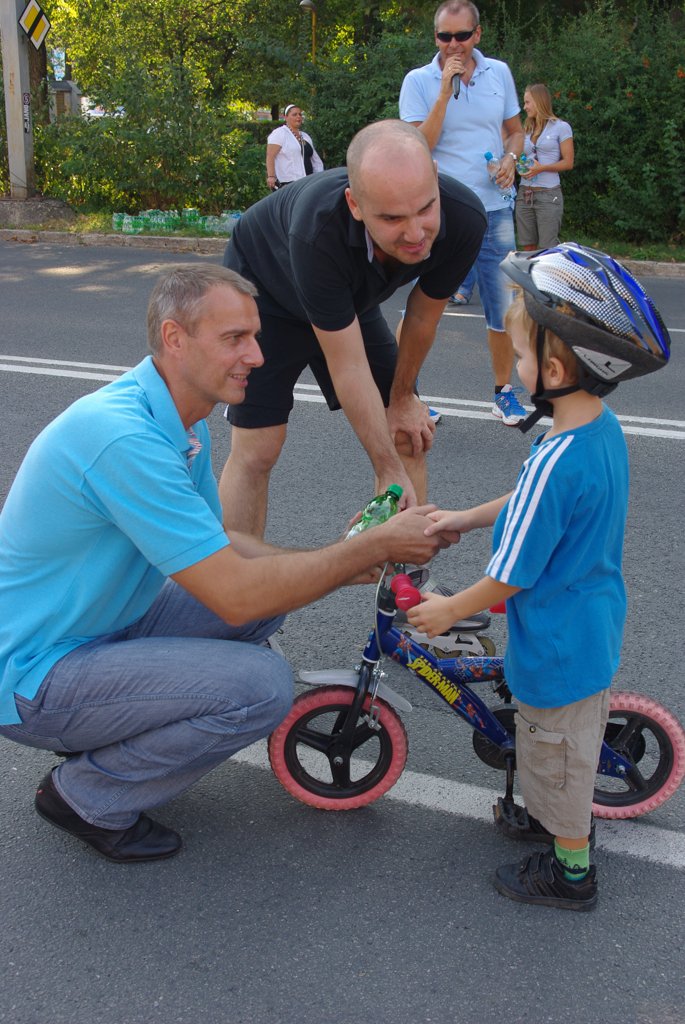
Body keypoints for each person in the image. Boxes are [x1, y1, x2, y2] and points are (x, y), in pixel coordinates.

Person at [0, 263, 442, 864]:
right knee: (259, 688)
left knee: (264, 614)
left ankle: (110, 734)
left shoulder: (181, 421)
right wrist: (366, 549)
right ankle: (85, 795)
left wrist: (343, 562)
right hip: (31, 675)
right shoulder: (122, 439)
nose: (257, 356)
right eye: (235, 338)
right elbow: (234, 593)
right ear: (175, 339)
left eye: (255, 337)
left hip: (92, 632)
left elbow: (224, 543)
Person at [406, 243, 671, 909]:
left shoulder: (558, 456)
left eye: (520, 354)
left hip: (557, 639)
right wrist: (467, 516)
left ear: (553, 367)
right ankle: (548, 814)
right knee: (552, 746)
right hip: (582, 617)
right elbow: (528, 500)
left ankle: (570, 873)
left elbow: (509, 576)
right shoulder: (588, 430)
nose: (515, 365)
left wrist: (445, 610)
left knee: (557, 760)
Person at [220, 118, 486, 538]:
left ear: (435, 179)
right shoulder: (317, 231)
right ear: (355, 205)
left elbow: (421, 316)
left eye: (425, 209)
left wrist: (402, 398)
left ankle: (405, 591)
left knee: (407, 433)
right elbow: (347, 365)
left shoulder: (466, 219)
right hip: (265, 293)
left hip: (345, 297)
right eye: (393, 219)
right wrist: (386, 472)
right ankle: (235, 588)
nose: (416, 233)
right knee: (258, 447)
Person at [399, 0, 527, 427]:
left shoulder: (500, 73)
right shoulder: (419, 81)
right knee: (425, 307)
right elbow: (419, 144)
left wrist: (511, 158)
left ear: (478, 34)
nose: (453, 45)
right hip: (442, 211)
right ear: (435, 37)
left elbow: (515, 131)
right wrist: (443, 92)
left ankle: (503, 393)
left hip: (494, 209)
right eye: (444, 36)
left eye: (461, 35)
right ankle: (404, 394)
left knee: (506, 308)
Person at [515, 83, 574, 250]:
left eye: (527, 102)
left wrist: (541, 168)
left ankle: (546, 277)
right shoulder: (525, 129)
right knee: (527, 246)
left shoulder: (561, 127)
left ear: (539, 102)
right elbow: (520, 157)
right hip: (525, 194)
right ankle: (529, 277)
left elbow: (568, 162)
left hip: (548, 194)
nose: (524, 107)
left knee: (547, 249)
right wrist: (519, 166)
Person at [265, 103, 324, 191]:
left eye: (300, 114)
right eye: (294, 114)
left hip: (308, 182)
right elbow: (270, 156)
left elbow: (315, 159)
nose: (298, 117)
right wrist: (271, 176)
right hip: (288, 184)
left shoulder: (305, 136)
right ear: (285, 117)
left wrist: (319, 176)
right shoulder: (279, 133)